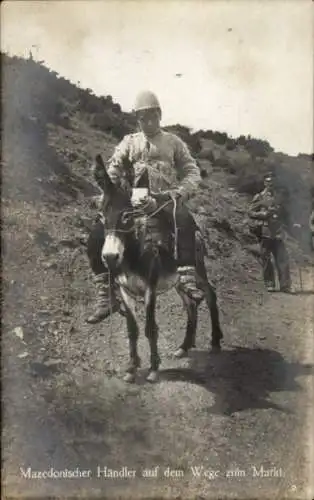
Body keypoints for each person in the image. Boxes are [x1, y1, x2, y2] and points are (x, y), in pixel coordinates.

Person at [86, 90, 203, 324]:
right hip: (131, 202)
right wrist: (109, 190)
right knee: (98, 232)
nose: (148, 122)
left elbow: (192, 170)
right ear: (137, 120)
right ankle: (106, 293)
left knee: (184, 219)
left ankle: (187, 277)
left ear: (160, 115)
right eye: (143, 118)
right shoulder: (129, 142)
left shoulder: (173, 142)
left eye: (152, 116)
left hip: (164, 200)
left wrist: (179, 192)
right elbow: (114, 167)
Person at [248, 172, 292, 293]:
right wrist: (263, 214)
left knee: (283, 259)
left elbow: (285, 215)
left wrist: (291, 225)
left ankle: (285, 285)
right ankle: (269, 284)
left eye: (272, 182)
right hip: (265, 233)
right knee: (267, 260)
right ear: (264, 183)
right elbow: (250, 212)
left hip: (278, 233)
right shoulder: (259, 197)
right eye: (268, 181)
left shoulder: (279, 197)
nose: (270, 184)